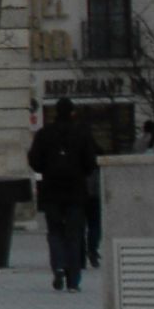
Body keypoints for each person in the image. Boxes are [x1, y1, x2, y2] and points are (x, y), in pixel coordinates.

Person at [29, 98, 96, 292]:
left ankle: (58, 265)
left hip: (51, 190)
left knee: (55, 231)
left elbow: (34, 160)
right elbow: (90, 163)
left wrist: (47, 169)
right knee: (74, 235)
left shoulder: (44, 134)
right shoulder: (82, 134)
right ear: (72, 112)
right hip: (75, 190)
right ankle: (73, 280)